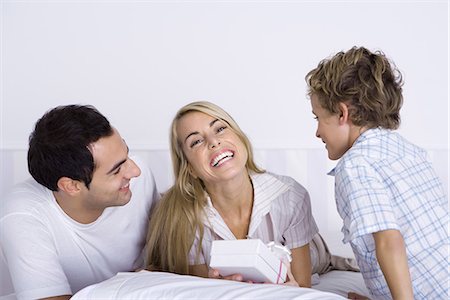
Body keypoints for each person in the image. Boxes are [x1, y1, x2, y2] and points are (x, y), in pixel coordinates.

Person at [145, 101, 362, 291]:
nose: (213, 142)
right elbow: (206, 289)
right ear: (190, 168)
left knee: (315, 259)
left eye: (220, 129)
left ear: (239, 139)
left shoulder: (289, 196)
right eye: (196, 142)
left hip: (312, 253)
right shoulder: (182, 218)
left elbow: (301, 287)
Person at [305, 46, 448, 299]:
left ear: (342, 113)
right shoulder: (407, 150)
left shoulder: (356, 165)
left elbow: (389, 241)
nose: (317, 132)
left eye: (318, 118)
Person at [0, 105, 160, 300]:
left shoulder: (137, 182)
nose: (135, 171)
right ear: (71, 186)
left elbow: (163, 261)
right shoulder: (22, 215)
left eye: (127, 155)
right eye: (117, 170)